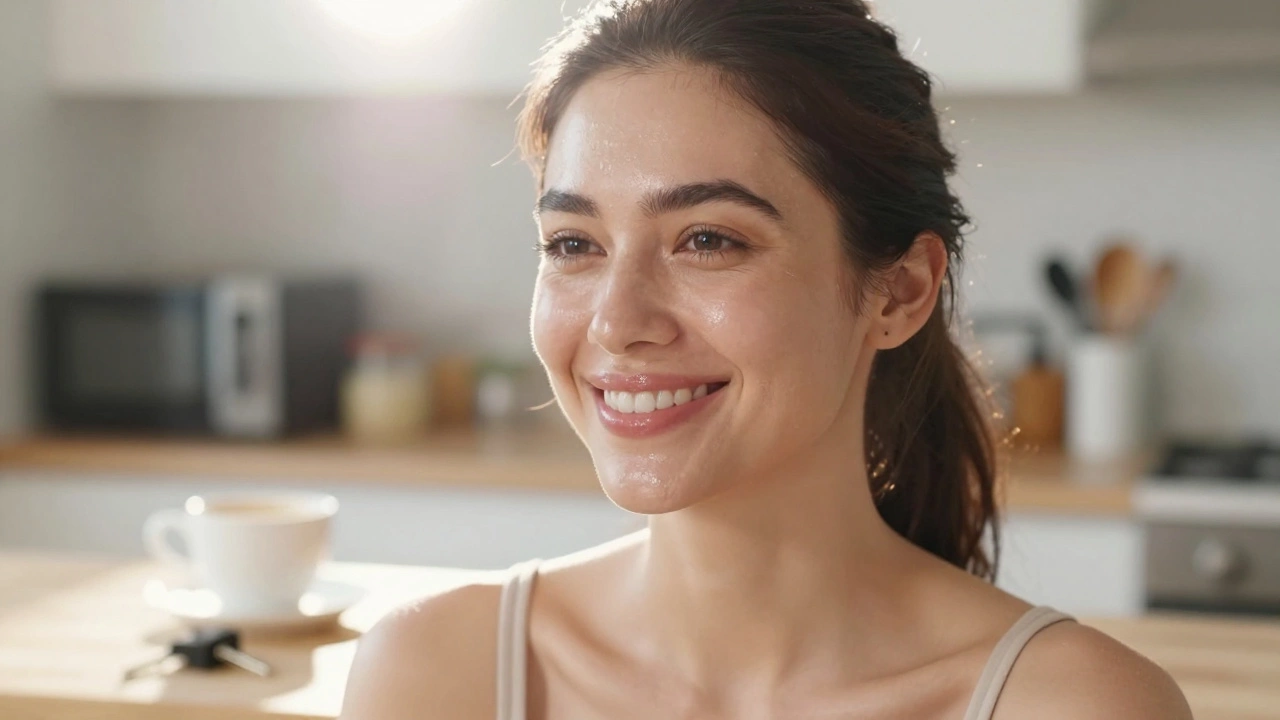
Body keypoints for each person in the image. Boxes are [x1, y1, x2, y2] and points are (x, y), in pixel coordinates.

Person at [340, 1, 1192, 717]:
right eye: (573, 243)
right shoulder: (436, 673)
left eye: (708, 240)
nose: (618, 321)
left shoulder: (1070, 705)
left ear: (898, 293)